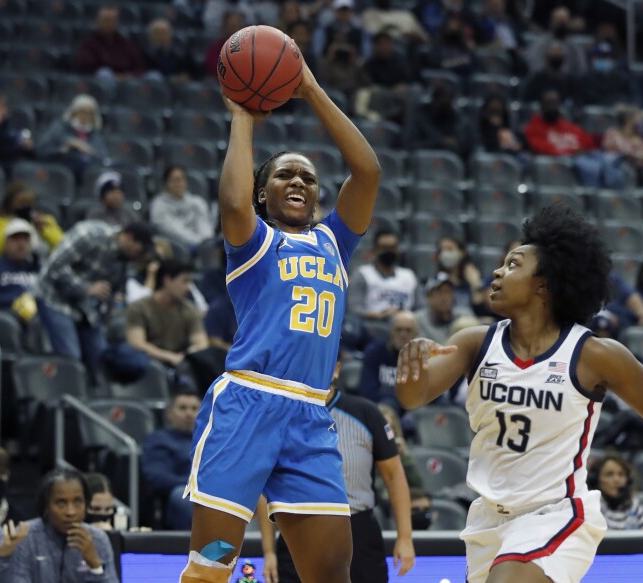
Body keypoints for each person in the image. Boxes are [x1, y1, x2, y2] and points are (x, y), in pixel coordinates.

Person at [395, 205, 643, 582]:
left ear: (543, 285)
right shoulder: (474, 343)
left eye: (513, 265)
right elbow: (413, 398)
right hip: (488, 517)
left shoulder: (593, 354)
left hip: (557, 514)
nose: (497, 271)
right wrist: (410, 365)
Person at [179, 59, 380, 583]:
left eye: (309, 178)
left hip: (311, 418)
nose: (300, 182)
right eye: (285, 174)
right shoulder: (253, 241)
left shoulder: (335, 241)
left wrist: (310, 88)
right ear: (263, 193)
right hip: (247, 405)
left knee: (332, 574)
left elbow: (368, 171)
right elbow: (231, 197)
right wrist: (242, 115)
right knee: (212, 567)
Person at [263, 356, 415, 583]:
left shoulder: (366, 412)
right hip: (296, 527)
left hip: (359, 528)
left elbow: (394, 475)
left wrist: (405, 537)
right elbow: (266, 487)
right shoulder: (282, 415)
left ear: (336, 371)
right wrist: (268, 552)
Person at [33, 221, 154, 381]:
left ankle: (94, 401)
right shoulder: (90, 235)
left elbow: (117, 294)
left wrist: (110, 316)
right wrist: (85, 288)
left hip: (86, 308)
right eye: (140, 249)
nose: (139, 255)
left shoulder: (125, 260)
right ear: (129, 238)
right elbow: (54, 267)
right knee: (71, 356)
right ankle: (68, 400)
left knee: (100, 359)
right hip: (54, 298)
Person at [10, 468, 118, 582]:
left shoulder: (98, 539)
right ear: (46, 506)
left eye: (77, 502)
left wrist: (95, 565)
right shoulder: (25, 537)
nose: (70, 512)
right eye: (61, 503)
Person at [524, 90, 624, 189]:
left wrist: (605, 139)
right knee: (589, 167)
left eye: (554, 103)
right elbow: (540, 148)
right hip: (563, 163)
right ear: (542, 106)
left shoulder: (568, 126)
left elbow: (588, 141)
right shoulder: (533, 127)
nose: (552, 107)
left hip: (584, 156)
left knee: (610, 162)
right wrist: (572, 152)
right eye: (549, 103)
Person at [125, 259, 209, 369]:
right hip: (148, 366)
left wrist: (188, 354)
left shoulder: (188, 309)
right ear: (167, 280)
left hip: (180, 364)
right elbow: (137, 344)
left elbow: (202, 343)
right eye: (184, 281)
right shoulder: (139, 308)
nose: (188, 288)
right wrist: (170, 357)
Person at [142, 390, 201, 530]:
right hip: (182, 496)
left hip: (213, 492)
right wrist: (195, 485)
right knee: (180, 494)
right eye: (182, 408)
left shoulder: (211, 439)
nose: (189, 413)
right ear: (169, 413)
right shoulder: (159, 440)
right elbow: (157, 478)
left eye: (194, 408)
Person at [0, 181, 63, 264]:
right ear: (10, 204)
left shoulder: (46, 221)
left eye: (29, 203)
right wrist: (10, 229)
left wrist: (44, 230)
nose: (26, 207)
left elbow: (64, 248)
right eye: (21, 203)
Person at [348, 229, 419, 322]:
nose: (389, 251)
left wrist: (402, 316)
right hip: (372, 326)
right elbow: (354, 308)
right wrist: (380, 316)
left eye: (392, 247)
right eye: (384, 248)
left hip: (405, 327)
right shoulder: (363, 274)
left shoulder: (409, 276)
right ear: (374, 250)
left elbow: (421, 309)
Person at [36, 94, 109, 178]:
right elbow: (41, 150)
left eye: (89, 113)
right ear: (74, 112)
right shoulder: (59, 128)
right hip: (59, 171)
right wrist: (64, 147)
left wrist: (88, 150)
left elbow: (102, 158)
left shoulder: (95, 135)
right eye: (82, 111)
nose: (85, 116)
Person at [359, 310, 419, 409]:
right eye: (399, 330)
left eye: (408, 330)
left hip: (413, 412)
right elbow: (367, 391)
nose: (403, 335)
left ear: (416, 333)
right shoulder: (375, 352)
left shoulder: (422, 358)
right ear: (391, 331)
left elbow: (429, 396)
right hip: (382, 409)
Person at [150, 166, 214, 248]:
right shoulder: (158, 205)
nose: (179, 184)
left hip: (200, 246)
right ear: (166, 183)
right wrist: (197, 243)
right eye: (174, 180)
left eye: (181, 179)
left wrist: (207, 244)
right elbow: (172, 230)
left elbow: (205, 227)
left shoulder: (197, 202)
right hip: (177, 248)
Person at [75, 5, 144, 79]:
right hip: (98, 82)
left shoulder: (124, 42)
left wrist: (126, 75)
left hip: (125, 79)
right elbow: (86, 66)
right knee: (104, 73)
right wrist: (114, 76)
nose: (109, 23)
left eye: (112, 20)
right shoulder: (88, 42)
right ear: (97, 21)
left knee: (153, 76)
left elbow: (138, 65)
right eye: (106, 20)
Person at [588, 454, 643, 530]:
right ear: (595, 479)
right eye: (609, 474)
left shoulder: (634, 504)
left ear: (628, 480)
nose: (616, 480)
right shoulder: (592, 505)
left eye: (621, 474)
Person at [414, 273, 475, 344]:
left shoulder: (464, 315)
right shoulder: (418, 320)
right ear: (428, 296)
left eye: (447, 292)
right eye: (439, 292)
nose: (444, 297)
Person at [436, 236, 487, 314]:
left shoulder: (471, 276)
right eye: (441, 250)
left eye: (449, 249)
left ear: (462, 253)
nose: (445, 254)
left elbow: (480, 312)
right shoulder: (437, 280)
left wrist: (475, 285)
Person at [601, 105, 643, 171]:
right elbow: (620, 151)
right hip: (615, 171)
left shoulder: (638, 138)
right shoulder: (613, 133)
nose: (641, 123)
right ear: (627, 119)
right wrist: (636, 154)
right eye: (639, 119)